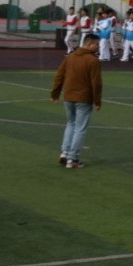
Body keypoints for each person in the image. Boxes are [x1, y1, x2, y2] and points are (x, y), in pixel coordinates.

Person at [50, 32, 103, 168]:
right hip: (83, 98)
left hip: (68, 96)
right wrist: (97, 101)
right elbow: (96, 83)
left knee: (70, 124)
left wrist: (55, 93)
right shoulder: (93, 60)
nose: (98, 47)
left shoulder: (71, 57)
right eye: (96, 44)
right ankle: (73, 159)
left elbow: (59, 75)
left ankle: (65, 152)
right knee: (80, 128)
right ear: (89, 44)